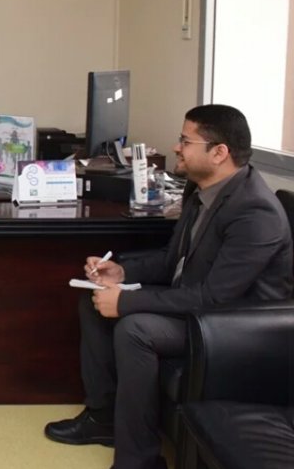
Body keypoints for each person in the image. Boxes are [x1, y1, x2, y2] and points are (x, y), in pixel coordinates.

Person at [44, 104, 293, 469]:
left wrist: (126, 303)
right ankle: (103, 418)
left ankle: (138, 461)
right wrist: (120, 273)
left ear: (219, 152)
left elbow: (214, 297)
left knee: (135, 329)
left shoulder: (255, 212)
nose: (177, 147)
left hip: (236, 328)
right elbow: (171, 259)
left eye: (185, 141)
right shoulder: (201, 189)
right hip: (201, 309)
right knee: (94, 300)